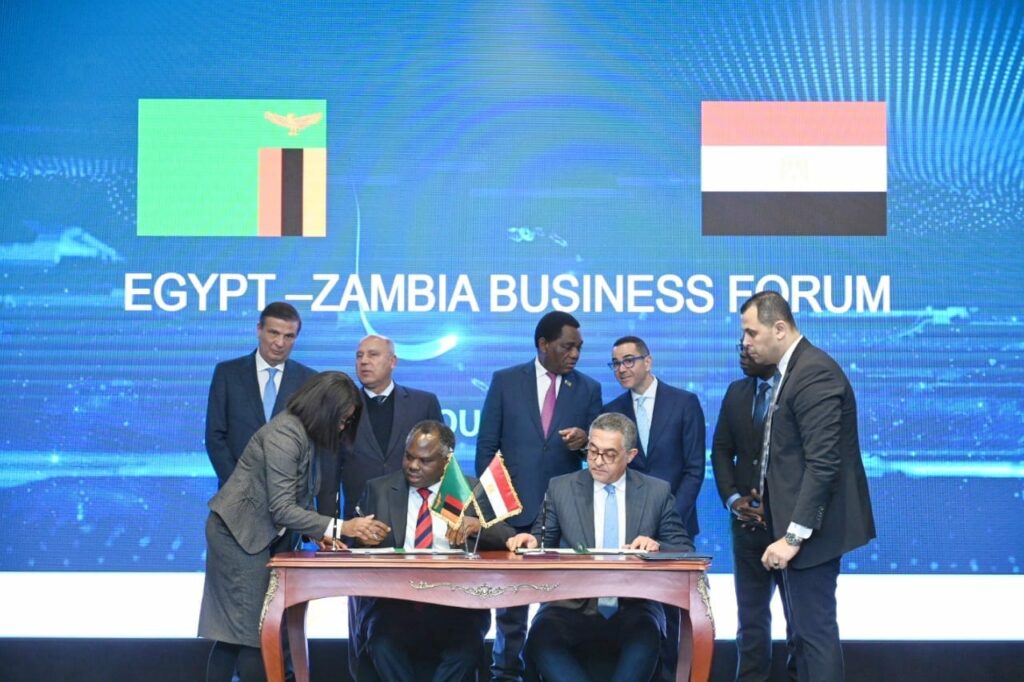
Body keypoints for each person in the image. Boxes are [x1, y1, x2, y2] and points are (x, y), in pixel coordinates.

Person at [198, 372, 389, 682]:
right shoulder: (285, 435)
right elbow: (283, 508)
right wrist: (342, 527)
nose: (342, 427)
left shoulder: (305, 435)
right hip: (238, 537)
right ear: (325, 409)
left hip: (256, 537)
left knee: (237, 634)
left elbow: (301, 498)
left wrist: (318, 532)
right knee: (249, 633)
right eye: (341, 420)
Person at [739, 291, 876, 682]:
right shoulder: (792, 371)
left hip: (812, 535)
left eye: (752, 332)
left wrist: (793, 537)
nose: (745, 342)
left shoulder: (814, 372)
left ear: (780, 328)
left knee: (814, 636)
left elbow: (823, 464)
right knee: (802, 637)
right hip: (794, 531)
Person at [506, 412, 691, 682]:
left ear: (630, 455)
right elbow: (543, 541)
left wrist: (656, 546)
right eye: (592, 451)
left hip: (633, 606)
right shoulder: (561, 488)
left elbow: (684, 549)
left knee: (646, 639)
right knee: (542, 638)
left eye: (609, 454)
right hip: (570, 606)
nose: (598, 461)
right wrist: (532, 543)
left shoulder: (656, 492)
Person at [476, 310, 603, 681]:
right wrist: (496, 511)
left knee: (561, 607)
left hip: (565, 514)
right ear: (543, 344)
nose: (575, 354)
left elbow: (600, 455)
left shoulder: (588, 389)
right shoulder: (505, 381)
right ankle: (505, 674)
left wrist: (585, 443)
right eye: (567, 346)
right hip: (513, 511)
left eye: (579, 348)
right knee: (511, 609)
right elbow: (487, 449)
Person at [353, 420, 515, 681]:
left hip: (457, 604)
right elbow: (354, 548)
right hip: (396, 604)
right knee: (383, 646)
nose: (413, 466)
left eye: (424, 460)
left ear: (446, 461)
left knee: (464, 652)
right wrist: (363, 538)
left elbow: (509, 537)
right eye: (409, 456)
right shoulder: (379, 490)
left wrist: (478, 526)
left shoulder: (470, 490)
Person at [602, 335, 706, 681]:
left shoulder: (684, 402)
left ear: (648, 361)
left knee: (673, 618)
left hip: (675, 529)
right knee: (631, 616)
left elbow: (694, 470)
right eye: (615, 363)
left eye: (628, 360)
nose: (621, 369)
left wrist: (668, 519)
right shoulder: (612, 411)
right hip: (628, 531)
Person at [710, 342, 795, 681]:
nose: (742, 354)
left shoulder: (796, 390)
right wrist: (733, 499)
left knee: (800, 621)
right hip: (747, 526)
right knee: (750, 620)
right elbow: (721, 450)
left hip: (791, 530)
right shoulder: (736, 392)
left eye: (750, 348)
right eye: (740, 348)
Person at [321, 334, 443, 519]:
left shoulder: (423, 403)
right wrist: (331, 527)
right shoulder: (339, 407)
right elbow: (330, 474)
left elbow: (442, 462)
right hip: (360, 519)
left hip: (415, 519)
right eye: (359, 356)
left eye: (373, 354)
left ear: (392, 361)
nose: (364, 361)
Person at [205, 302, 317, 488]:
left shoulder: (309, 381)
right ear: (259, 330)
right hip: (235, 493)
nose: (280, 343)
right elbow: (215, 436)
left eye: (288, 336)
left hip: (289, 495)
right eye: (274, 333)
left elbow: (313, 442)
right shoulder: (228, 373)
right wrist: (238, 485)